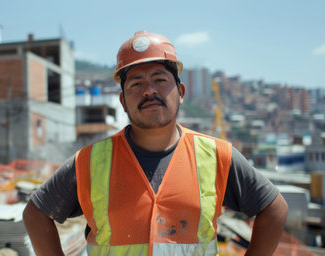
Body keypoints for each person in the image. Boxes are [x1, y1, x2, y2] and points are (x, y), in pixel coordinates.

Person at [23, 31, 288, 256]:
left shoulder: (217, 156)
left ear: (180, 92)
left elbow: (274, 210)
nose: (149, 90)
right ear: (123, 101)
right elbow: (35, 215)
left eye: (160, 80)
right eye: (136, 83)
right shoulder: (90, 161)